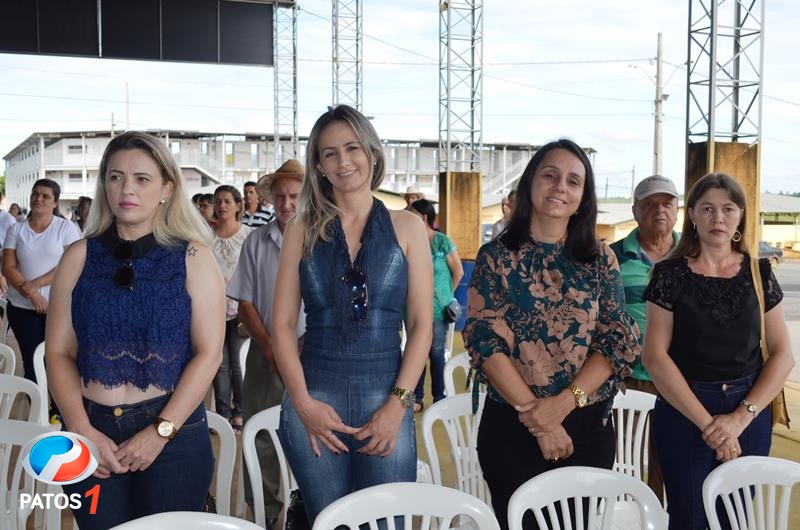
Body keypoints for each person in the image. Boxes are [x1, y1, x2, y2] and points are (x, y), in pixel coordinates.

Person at [46, 131, 226, 529]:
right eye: (116, 177)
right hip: (89, 430)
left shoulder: (193, 257)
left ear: (167, 188)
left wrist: (160, 432)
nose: (127, 188)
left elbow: (209, 353)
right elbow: (57, 353)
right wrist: (80, 428)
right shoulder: (77, 257)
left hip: (174, 435)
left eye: (142, 178)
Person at [462, 138, 640, 530]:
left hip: (586, 424)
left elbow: (616, 339)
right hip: (513, 423)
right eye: (550, 175)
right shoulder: (495, 258)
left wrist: (561, 406)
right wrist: (539, 419)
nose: (561, 186)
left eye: (574, 181)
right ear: (530, 183)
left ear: (582, 198)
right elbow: (484, 341)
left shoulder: (600, 259)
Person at [271, 104, 433, 524]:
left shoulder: (408, 227)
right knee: (330, 522)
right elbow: (282, 326)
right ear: (319, 166)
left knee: (389, 523)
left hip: (388, 398)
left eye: (352, 148)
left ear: (372, 153)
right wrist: (302, 403)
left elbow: (421, 326)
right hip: (314, 401)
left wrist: (398, 406)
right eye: (330, 153)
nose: (343, 161)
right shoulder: (301, 229)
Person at [642, 172, 795, 530]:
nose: (718, 218)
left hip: (749, 410)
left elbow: (783, 354)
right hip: (684, 410)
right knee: (690, 518)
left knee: (735, 519)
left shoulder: (759, 273)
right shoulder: (668, 274)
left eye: (728, 209)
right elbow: (655, 357)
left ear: (741, 215)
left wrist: (739, 419)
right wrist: (710, 426)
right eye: (708, 208)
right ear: (692, 215)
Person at [227, 159, 307, 527]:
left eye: (294, 196)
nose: (286, 204)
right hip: (265, 352)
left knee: (312, 435)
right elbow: (244, 300)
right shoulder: (256, 241)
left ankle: (311, 512)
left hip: (312, 353)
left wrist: (300, 348)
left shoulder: (323, 239)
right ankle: (266, 515)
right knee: (260, 434)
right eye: (280, 197)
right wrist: (272, 348)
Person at [609, 174, 679, 495]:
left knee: (675, 468)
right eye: (650, 204)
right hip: (630, 380)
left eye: (666, 203)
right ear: (635, 211)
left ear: (677, 210)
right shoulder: (611, 257)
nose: (659, 210)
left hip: (681, 383)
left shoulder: (695, 254)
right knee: (631, 467)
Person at [3, 179, 80, 396]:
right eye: (35, 194)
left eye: (45, 196)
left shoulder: (65, 228)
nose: (38, 199)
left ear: (55, 202)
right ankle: (36, 409)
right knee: (31, 362)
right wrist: (32, 295)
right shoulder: (16, 229)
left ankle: (57, 410)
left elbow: (72, 264)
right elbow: (8, 267)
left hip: (59, 309)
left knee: (59, 362)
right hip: (22, 309)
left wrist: (34, 285)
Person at [408, 198, 463, 411]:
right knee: (416, 352)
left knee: (436, 352)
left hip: (439, 309)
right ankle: (417, 399)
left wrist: (447, 295)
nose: (408, 215)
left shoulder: (442, 242)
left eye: (412, 213)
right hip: (414, 307)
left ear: (423, 217)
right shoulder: (411, 241)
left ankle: (439, 398)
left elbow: (458, 271)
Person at [210, 185, 253, 433]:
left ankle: (240, 412)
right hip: (213, 311)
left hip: (241, 310)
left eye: (227, 201)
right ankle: (223, 415)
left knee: (238, 363)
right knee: (219, 364)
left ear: (238, 206)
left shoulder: (248, 235)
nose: (222, 205)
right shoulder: (206, 237)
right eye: (218, 201)